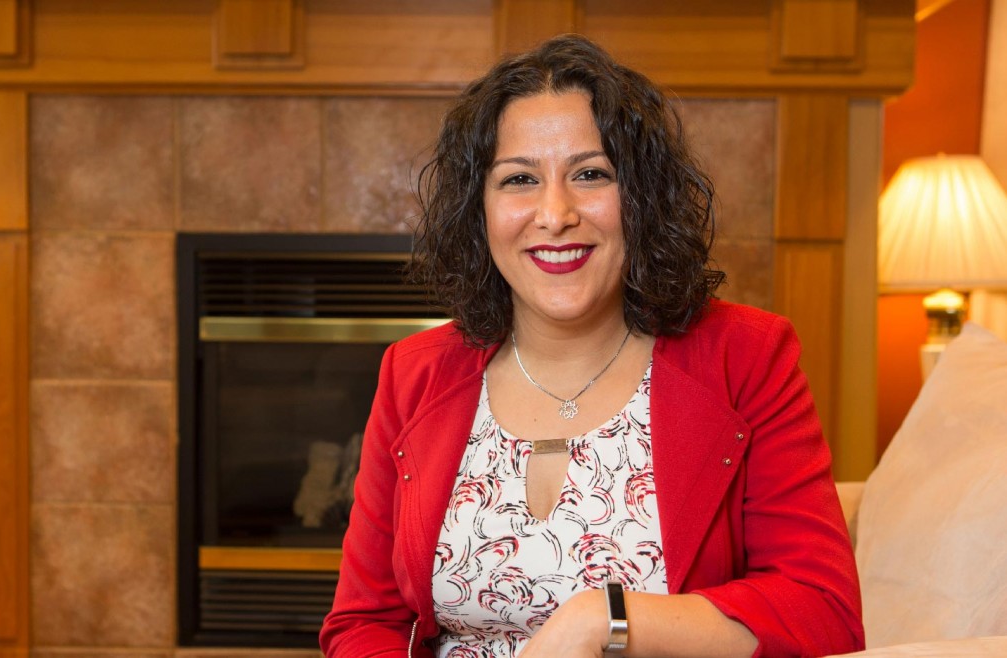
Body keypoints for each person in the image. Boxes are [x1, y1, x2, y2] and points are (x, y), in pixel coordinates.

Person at [320, 34, 862, 658]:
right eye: (519, 179)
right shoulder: (413, 373)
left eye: (591, 174)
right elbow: (362, 624)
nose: (555, 213)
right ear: (481, 211)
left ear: (641, 200)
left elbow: (823, 613)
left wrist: (604, 620)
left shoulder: (747, 357)